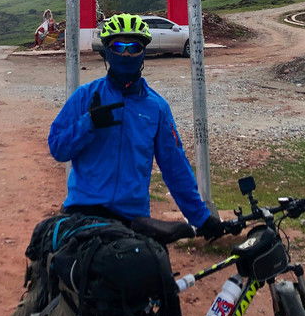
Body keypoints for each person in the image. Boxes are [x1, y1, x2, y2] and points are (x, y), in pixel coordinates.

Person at [48, 13, 225, 239]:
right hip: (84, 210)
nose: (126, 53)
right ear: (106, 51)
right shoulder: (85, 96)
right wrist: (88, 124)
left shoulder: (157, 108)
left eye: (134, 47)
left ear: (144, 53)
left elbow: (175, 167)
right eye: (119, 46)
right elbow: (57, 148)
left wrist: (201, 219)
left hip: (132, 219)